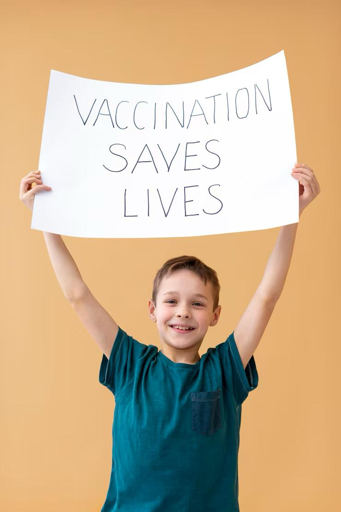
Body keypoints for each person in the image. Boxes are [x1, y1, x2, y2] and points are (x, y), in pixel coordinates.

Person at [20, 163, 321, 511]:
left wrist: (292, 214)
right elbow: (77, 294)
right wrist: (43, 220)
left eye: (197, 303)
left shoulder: (224, 370)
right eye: (171, 301)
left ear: (215, 315)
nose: (183, 312)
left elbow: (267, 295)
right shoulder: (131, 365)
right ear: (152, 309)